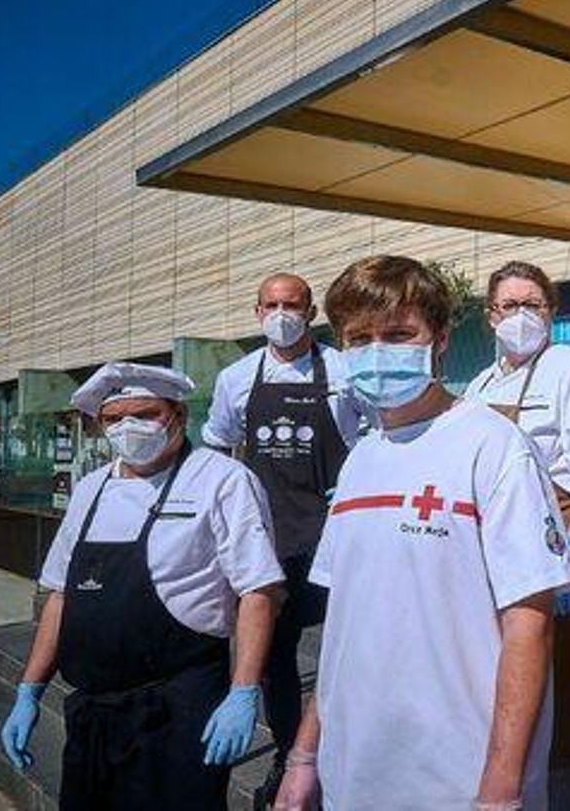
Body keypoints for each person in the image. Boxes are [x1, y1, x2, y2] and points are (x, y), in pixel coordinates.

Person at [272, 256, 570, 811]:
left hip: (457, 781)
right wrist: (303, 756)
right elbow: (345, 626)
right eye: (358, 338)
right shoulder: (361, 459)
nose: (376, 352)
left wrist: (501, 790)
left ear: (439, 339)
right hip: (354, 775)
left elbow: (528, 628)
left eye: (397, 334)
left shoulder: (495, 447)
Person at [0, 362, 284, 810]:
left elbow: (258, 591)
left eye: (146, 414)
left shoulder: (223, 480)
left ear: (178, 416)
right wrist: (29, 689)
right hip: (94, 712)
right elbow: (60, 595)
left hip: (179, 709)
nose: (129, 427)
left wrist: (243, 691)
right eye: (114, 419)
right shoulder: (89, 489)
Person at [463, 260, 570, 810]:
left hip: (558, 546)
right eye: (509, 305)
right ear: (490, 316)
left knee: (562, 687)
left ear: (551, 312)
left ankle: (567, 797)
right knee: (507, 679)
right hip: (493, 549)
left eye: (533, 304)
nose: (521, 315)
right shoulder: (481, 385)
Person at [203, 271, 363, 803]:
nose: (281, 313)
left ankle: (341, 749)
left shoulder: (343, 370)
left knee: (346, 646)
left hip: (334, 533)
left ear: (310, 310)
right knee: (274, 657)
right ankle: (287, 754)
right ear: (256, 312)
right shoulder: (236, 378)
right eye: (270, 304)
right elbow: (219, 451)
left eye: (291, 304)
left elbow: (374, 438)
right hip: (266, 539)